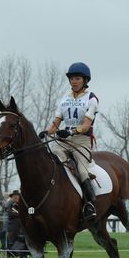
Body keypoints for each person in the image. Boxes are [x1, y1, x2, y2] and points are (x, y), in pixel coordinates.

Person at [39, 61, 98, 222]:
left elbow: (86, 125)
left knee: (82, 170)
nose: (74, 81)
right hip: (63, 140)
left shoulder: (91, 98)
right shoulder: (65, 98)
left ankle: (89, 204)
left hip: (82, 141)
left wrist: (71, 131)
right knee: (52, 160)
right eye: (71, 78)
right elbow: (55, 124)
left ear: (85, 80)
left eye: (77, 78)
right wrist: (46, 132)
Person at [5, 190, 28, 258]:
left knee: (22, 241)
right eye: (15, 195)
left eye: (17, 195)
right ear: (12, 196)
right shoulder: (10, 203)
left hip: (21, 227)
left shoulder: (22, 204)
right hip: (12, 227)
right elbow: (10, 213)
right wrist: (20, 214)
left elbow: (25, 214)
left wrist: (20, 214)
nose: (16, 196)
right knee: (10, 242)